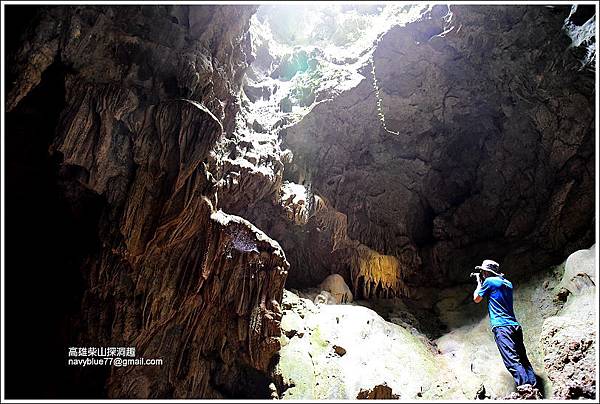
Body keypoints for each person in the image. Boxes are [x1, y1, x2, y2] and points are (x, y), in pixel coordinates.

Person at [472, 259, 538, 391]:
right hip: (514, 326)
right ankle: (534, 387)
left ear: (485, 272)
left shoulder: (489, 282)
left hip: (501, 327)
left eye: (483, 272)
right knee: (523, 359)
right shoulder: (508, 283)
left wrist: (479, 283)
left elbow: (476, 298)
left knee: (511, 360)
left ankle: (526, 389)